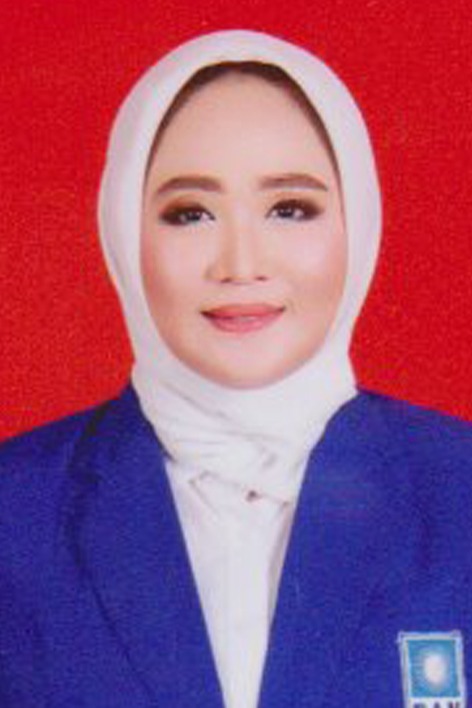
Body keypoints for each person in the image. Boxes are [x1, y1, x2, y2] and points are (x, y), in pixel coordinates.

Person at [1, 29, 471, 708]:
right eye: (190, 213)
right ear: (123, 232)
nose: (241, 263)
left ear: (359, 223)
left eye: (290, 209)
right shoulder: (15, 511)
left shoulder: (460, 490)